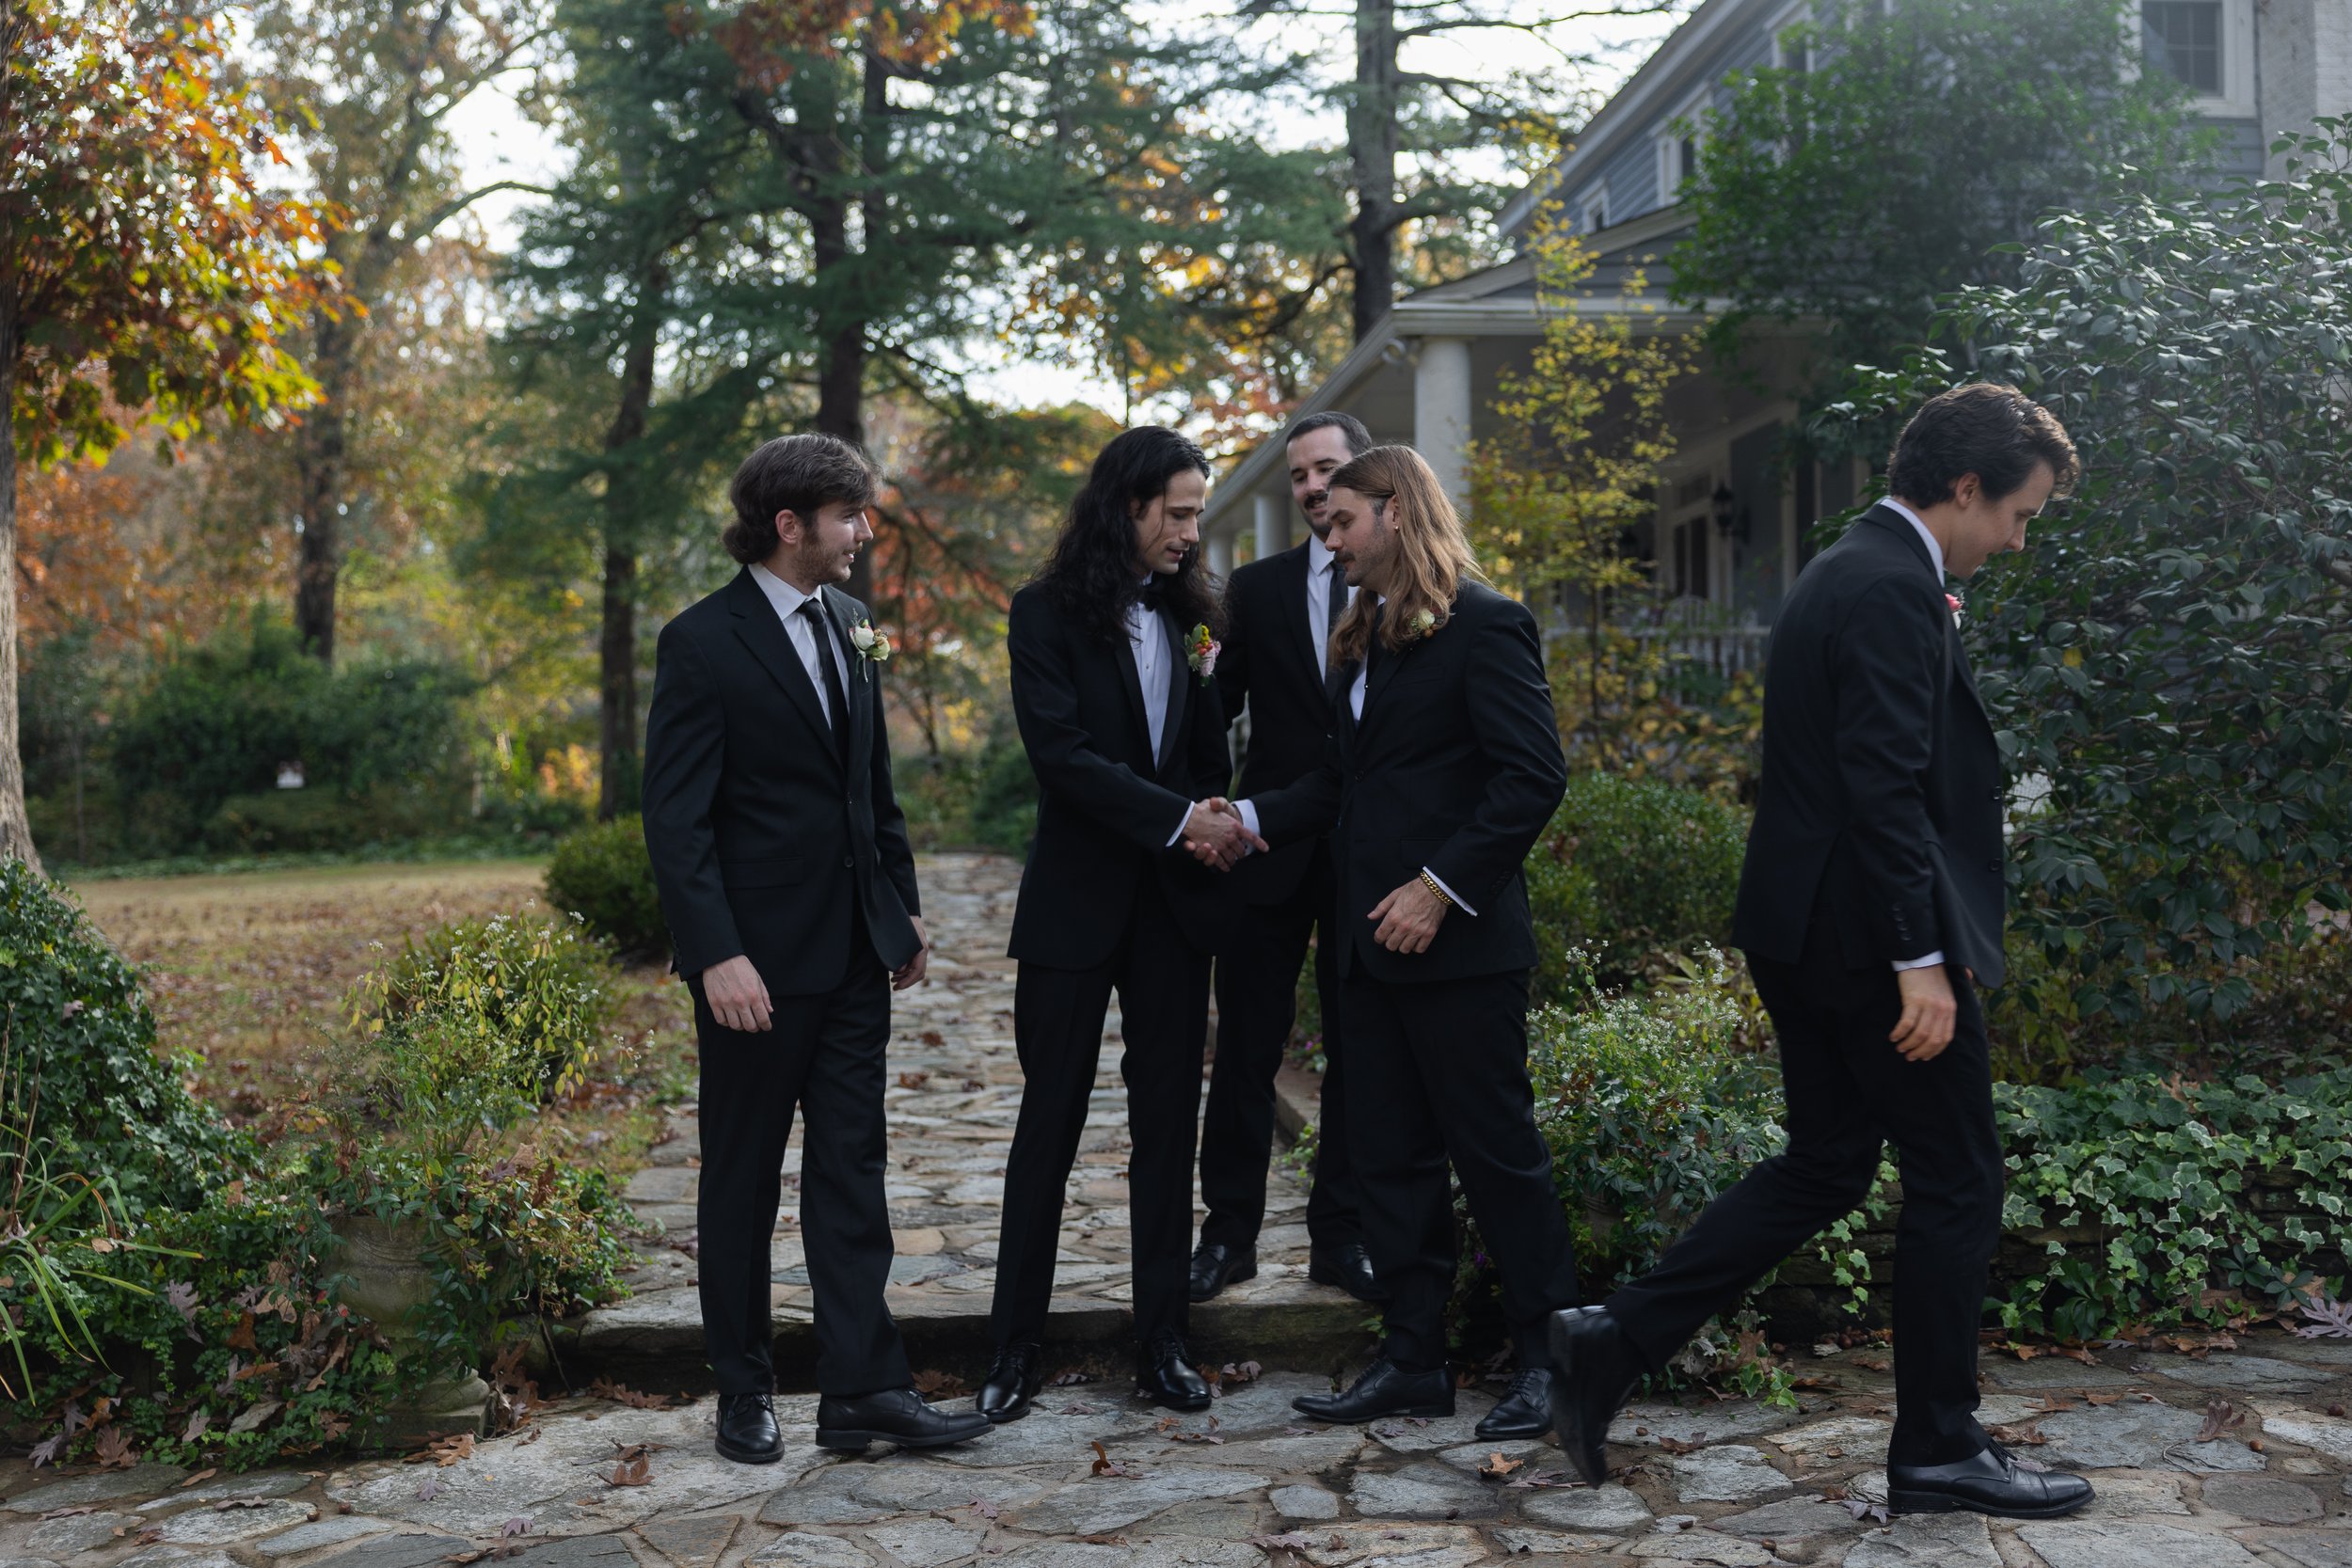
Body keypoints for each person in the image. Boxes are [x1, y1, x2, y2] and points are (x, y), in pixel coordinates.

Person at [1546, 383, 2095, 1521]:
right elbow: (1881, 791)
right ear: (1963, 487)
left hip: (1803, 929)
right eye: (2019, 513)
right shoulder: (1892, 586)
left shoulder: (1849, 565)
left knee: (1828, 1162)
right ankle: (1938, 1446)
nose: (2018, 538)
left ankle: (1611, 1339)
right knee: (1957, 1176)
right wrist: (1920, 960)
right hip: (1868, 943)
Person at [1209, 444, 1581, 1439]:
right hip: (1368, 952)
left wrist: (1439, 886)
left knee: (1497, 1157)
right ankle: (1415, 1357)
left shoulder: (1487, 624)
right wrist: (1241, 817)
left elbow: (1531, 778)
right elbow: (1339, 785)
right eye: (1321, 525)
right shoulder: (1363, 637)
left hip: (1459, 950)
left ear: (1396, 511)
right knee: (1388, 1158)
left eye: (1340, 521)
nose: (1326, 538)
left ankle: (1550, 1361)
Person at [640, 434, 991, 1462]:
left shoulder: (850, 622)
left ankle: (863, 1386)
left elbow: (867, 784)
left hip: (851, 958)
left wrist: (903, 904)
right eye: (849, 515)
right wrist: (716, 955)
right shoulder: (701, 640)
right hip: (753, 972)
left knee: (852, 1173)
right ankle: (743, 1389)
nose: (864, 532)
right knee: (742, 1180)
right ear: (788, 523)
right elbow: (677, 821)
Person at [976, 427, 1256, 1423]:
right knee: (1044, 1128)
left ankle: (1162, 1339)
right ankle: (1013, 1345)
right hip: (1073, 907)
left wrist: (1211, 819)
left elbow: (1202, 751)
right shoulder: (1042, 613)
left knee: (1164, 1129)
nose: (1191, 530)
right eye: (1176, 511)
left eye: (1196, 512)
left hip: (1173, 913)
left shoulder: (1194, 617)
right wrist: (1179, 817)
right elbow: (1061, 756)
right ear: (1126, 505)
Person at [1189, 410, 1379, 1307]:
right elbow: (1208, 714)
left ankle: (1339, 1239)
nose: (1311, 488)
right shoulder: (1254, 591)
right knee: (1245, 1054)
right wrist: (1204, 816)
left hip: (1369, 858)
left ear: (1365, 476)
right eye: (1300, 475)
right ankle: (1227, 1236)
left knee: (1358, 1050)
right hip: (1266, 849)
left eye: (1327, 470)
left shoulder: (1401, 582)